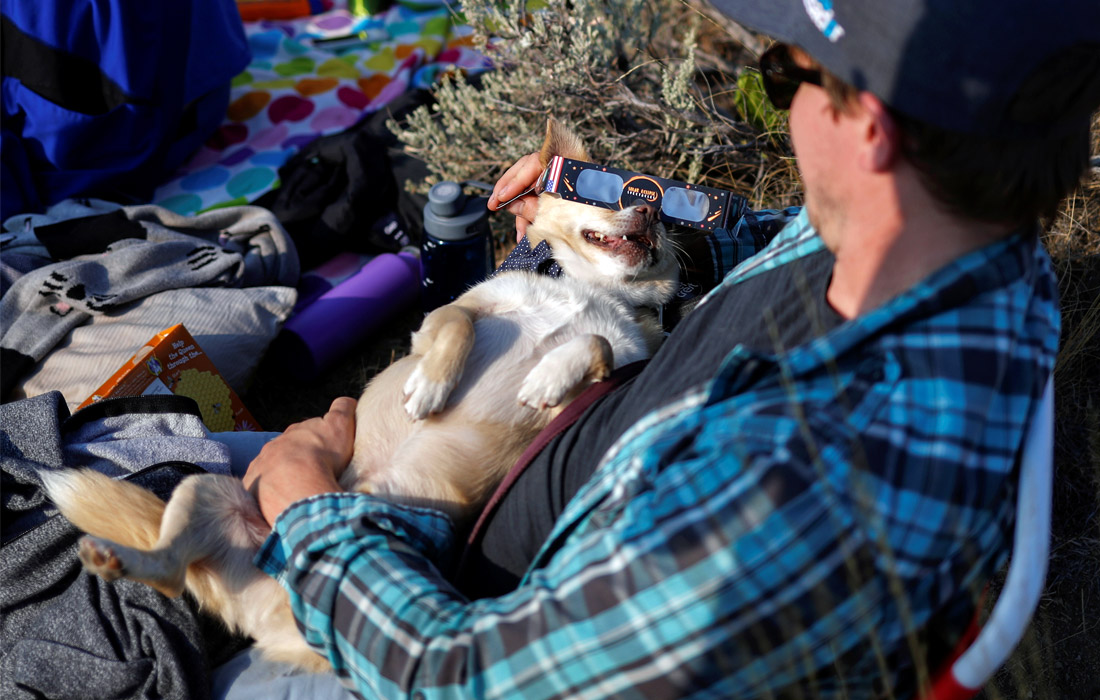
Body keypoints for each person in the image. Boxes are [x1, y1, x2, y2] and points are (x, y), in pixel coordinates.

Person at [241, 1, 1100, 697]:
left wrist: (312, 510)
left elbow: (466, 675)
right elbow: (766, 242)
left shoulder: (801, 482)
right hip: (488, 458)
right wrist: (611, 218)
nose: (786, 100)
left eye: (788, 74)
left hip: (417, 588)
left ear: (870, 129)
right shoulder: (943, 244)